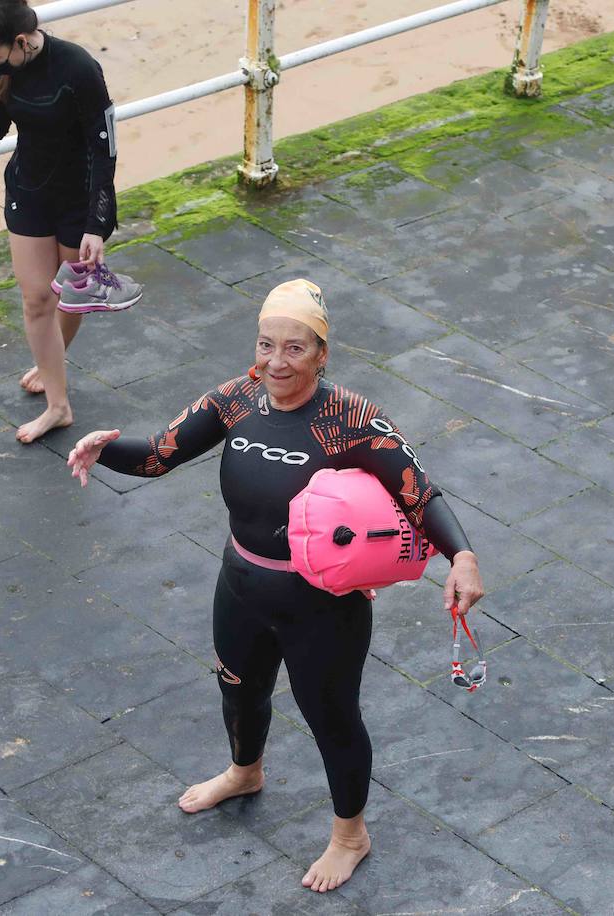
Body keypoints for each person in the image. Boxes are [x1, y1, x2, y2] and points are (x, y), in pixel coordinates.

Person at [67, 279, 485, 893]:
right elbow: (159, 454)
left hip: (322, 605)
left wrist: (462, 556)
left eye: (294, 348)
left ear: (321, 354)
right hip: (241, 585)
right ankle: (245, 772)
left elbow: (419, 492)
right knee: (239, 690)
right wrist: (105, 448)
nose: (275, 362)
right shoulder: (238, 398)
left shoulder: (351, 418)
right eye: (266, 345)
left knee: (332, 717)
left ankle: (350, 836)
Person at [0, 0, 141, 444]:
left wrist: (97, 222)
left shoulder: (78, 67)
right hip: (29, 191)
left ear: (21, 41)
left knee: (70, 297)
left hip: (79, 197)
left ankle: (51, 359)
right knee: (37, 298)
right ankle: (59, 405)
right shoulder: (1, 65)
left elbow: (103, 148)